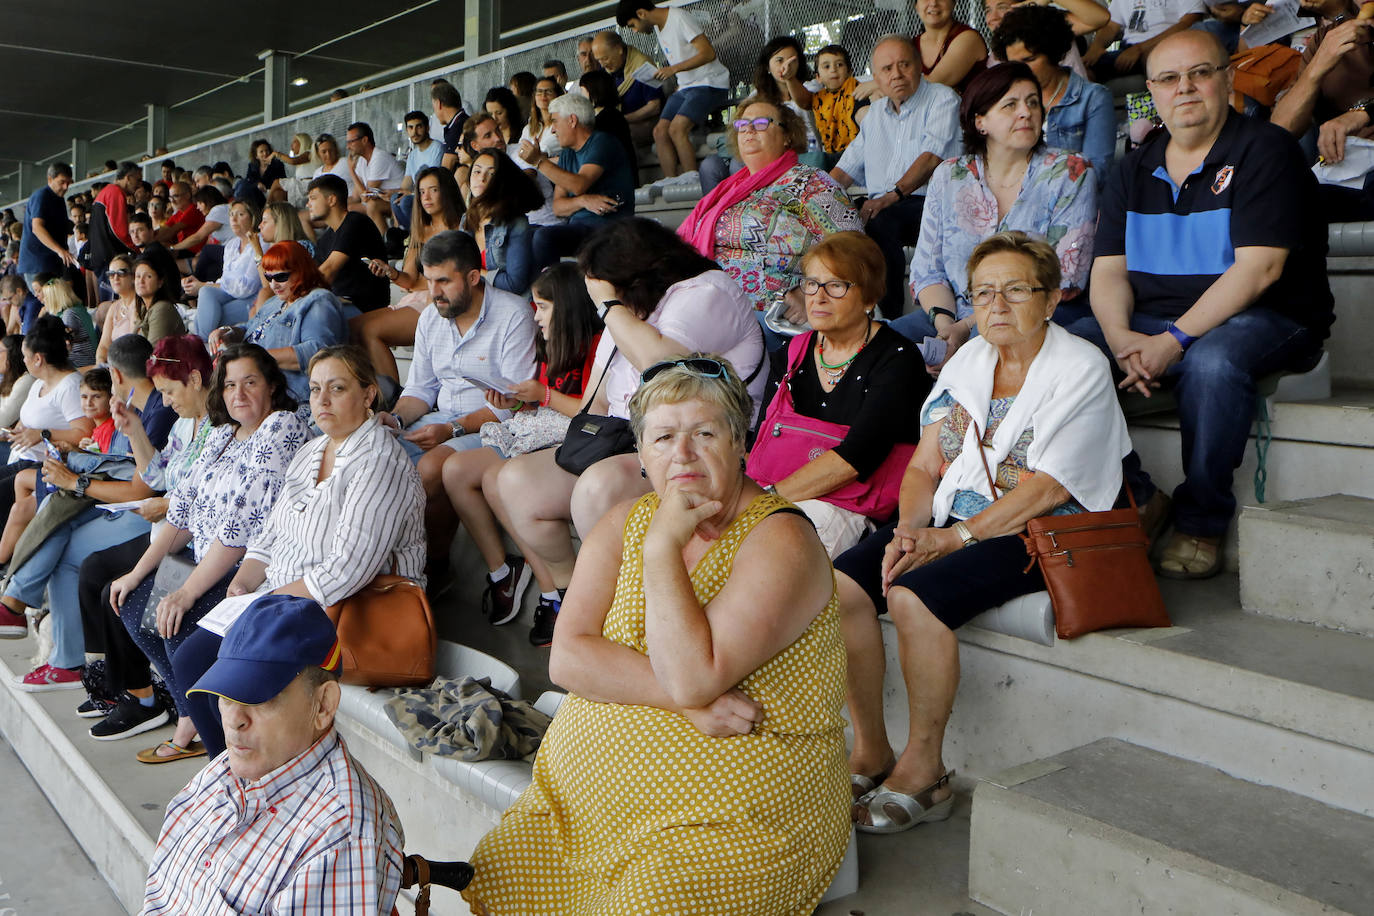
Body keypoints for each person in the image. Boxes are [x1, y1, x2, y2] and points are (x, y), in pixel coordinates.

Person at [462, 358, 848, 915]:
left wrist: (665, 548)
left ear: (741, 443)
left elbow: (694, 675)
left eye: (705, 433)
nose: (682, 454)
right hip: (584, 808)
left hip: (731, 819)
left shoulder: (779, 538)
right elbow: (568, 659)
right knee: (499, 873)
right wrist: (685, 706)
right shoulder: (625, 520)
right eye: (663, 437)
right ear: (641, 454)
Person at [839, 231, 1130, 834]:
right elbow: (924, 465)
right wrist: (911, 530)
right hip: (950, 514)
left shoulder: (1081, 368)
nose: (996, 305)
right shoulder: (970, 360)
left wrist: (954, 540)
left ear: (1051, 300)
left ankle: (926, 770)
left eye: (1016, 290)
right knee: (841, 584)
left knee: (914, 596)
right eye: (984, 292)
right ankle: (871, 748)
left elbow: (1049, 488)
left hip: (1040, 530)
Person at [1068, 31, 1334, 578]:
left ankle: (1202, 521)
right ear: (1151, 92)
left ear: (1228, 79)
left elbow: (1261, 269)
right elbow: (1109, 270)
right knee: (1061, 350)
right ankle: (1139, 496)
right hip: (1150, 321)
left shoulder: (1265, 150)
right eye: (1169, 78)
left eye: (1201, 73)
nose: (1185, 88)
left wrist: (1173, 342)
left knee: (1212, 364)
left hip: (1267, 315)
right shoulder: (1133, 167)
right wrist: (1120, 339)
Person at [494, 218, 767, 647]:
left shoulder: (706, 291)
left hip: (695, 442)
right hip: (627, 437)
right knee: (516, 482)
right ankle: (575, 593)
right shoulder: (632, 310)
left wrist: (608, 305)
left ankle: (626, 613)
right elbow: (599, 400)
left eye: (605, 284)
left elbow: (663, 367)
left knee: (596, 488)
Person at [169, 346, 425, 758]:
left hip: (347, 611)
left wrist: (268, 605)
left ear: (368, 395)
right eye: (316, 389)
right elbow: (269, 535)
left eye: (337, 389)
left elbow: (346, 571)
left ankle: (255, 777)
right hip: (287, 602)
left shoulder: (380, 461)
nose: (321, 401)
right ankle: (237, 778)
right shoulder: (312, 450)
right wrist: (244, 581)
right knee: (191, 662)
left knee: (224, 675)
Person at [105, 344, 309, 762]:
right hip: (202, 560)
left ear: (271, 385)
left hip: (247, 568)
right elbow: (180, 514)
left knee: (180, 627)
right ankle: (190, 712)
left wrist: (186, 593)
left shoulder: (281, 427)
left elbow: (239, 530)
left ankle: (214, 744)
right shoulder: (219, 434)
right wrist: (137, 572)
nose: (239, 393)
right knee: (133, 605)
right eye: (230, 384)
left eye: (250, 382)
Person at [142, 596, 404, 914]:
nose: (234, 719)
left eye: (259, 697)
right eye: (224, 695)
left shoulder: (338, 835)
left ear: (323, 705)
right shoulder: (226, 769)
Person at [2, 336, 178, 692]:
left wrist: (77, 481)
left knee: (60, 516)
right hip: (125, 506)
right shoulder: (138, 404)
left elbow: (140, 489)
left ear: (115, 373)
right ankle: (19, 608)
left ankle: (21, 610)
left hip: (150, 516)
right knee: (55, 507)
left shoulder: (157, 411)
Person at [892, 64, 1098, 367]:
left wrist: (966, 328)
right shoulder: (950, 175)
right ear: (980, 122)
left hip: (1033, 314)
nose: (1026, 112)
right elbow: (928, 270)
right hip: (951, 315)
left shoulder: (1070, 171)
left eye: (1032, 102)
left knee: (980, 353)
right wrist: (946, 327)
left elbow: (1066, 278)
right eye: (1010, 105)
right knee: (880, 348)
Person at [440, 263, 602, 627]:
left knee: (499, 480)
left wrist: (542, 394)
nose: (535, 315)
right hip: (535, 430)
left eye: (542, 306)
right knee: (454, 470)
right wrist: (511, 402)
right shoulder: (550, 343)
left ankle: (552, 591)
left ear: (568, 306)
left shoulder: (596, 345)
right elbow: (539, 403)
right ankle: (505, 571)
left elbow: (591, 410)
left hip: (572, 439)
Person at [751, 232, 928, 557]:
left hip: (850, 507)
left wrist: (764, 500)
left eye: (836, 286)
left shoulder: (896, 358)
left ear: (869, 298)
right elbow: (763, 435)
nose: (818, 297)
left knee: (774, 556)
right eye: (811, 283)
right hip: (778, 495)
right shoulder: (792, 353)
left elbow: (855, 458)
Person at [74, 334, 214, 727]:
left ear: (197, 380)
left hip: (194, 540)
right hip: (169, 531)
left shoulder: (222, 426)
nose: (166, 401)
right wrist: (134, 429)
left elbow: (205, 497)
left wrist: (168, 505)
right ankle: (128, 691)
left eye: (170, 390)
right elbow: (156, 474)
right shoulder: (186, 425)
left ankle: (157, 703)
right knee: (96, 571)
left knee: (122, 598)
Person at [376, 231, 536, 561]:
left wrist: (452, 430)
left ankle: (422, 568)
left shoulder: (513, 315)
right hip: (440, 418)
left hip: (497, 426)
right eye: (429, 280)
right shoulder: (432, 317)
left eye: (444, 281)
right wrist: (396, 418)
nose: (433, 292)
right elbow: (420, 389)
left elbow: (513, 405)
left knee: (431, 468)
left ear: (474, 277)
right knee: (374, 454)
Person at [678, 98, 861, 322]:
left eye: (761, 122)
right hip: (710, 305)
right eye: (742, 125)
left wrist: (808, 293)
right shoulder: (728, 190)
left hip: (770, 313)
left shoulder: (810, 182)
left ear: (788, 136)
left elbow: (853, 249)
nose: (749, 130)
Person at [830, 35, 962, 319]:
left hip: (931, 204)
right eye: (887, 69)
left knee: (880, 218)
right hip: (885, 206)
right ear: (875, 77)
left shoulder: (942, 99)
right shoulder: (875, 113)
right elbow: (845, 169)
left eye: (904, 64)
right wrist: (812, 199)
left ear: (919, 66)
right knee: (832, 220)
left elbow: (931, 158)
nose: (897, 74)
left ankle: (888, 318)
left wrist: (891, 197)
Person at [362, 166, 465, 383]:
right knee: (350, 326)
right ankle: (372, 390)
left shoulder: (463, 227)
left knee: (369, 330)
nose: (425, 197)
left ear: (446, 192)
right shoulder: (420, 229)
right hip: (417, 297)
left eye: (433, 190)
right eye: (422, 191)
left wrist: (419, 285)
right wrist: (390, 271)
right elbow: (408, 279)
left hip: (440, 301)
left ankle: (392, 395)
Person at [210, 241, 348, 402]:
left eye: (281, 277)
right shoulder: (276, 301)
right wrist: (227, 332)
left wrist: (252, 357)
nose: (274, 285)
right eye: (268, 277)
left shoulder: (319, 301)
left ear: (301, 271)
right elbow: (251, 328)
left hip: (288, 397)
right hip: (257, 387)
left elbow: (317, 352)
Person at [991, 5, 1116, 181]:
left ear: (1053, 52)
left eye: (1030, 59)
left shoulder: (1093, 98)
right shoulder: (1003, 98)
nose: (1021, 69)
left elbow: (1097, 171)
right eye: (1014, 63)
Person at [1271, 11, 1374, 219]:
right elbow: (1281, 129)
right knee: (1279, 202)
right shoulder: (1328, 37)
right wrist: (1318, 65)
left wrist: (1363, 113)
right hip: (1345, 167)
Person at [617, 0, 732, 178]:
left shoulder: (678, 17)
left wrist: (674, 69)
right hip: (686, 86)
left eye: (633, 25)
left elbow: (708, 53)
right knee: (659, 132)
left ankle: (691, 179)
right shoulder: (658, 26)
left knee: (677, 129)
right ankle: (671, 180)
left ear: (641, 13)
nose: (635, 31)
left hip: (710, 83)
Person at [524, 93, 637, 271]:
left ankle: (549, 293)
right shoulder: (568, 153)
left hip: (610, 228)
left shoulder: (602, 142)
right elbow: (558, 207)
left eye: (554, 121)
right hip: (580, 228)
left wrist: (539, 162)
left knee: (544, 237)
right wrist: (583, 201)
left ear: (572, 120)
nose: (552, 130)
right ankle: (538, 294)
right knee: (525, 235)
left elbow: (579, 185)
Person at [463, 151, 543, 295]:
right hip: (480, 299)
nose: (482, 178)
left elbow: (514, 284)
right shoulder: (467, 219)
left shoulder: (516, 223)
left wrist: (474, 273)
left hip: (512, 304)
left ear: (502, 182)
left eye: (491, 174)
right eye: (477, 171)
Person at [307, 174, 390, 312]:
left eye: (313, 198)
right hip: (340, 303)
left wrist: (297, 297)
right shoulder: (325, 239)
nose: (307, 204)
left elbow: (328, 270)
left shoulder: (356, 222)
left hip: (364, 308)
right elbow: (314, 273)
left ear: (331, 200)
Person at [186, 199, 263, 338]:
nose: (233, 219)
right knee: (206, 293)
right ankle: (201, 341)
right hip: (230, 294)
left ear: (253, 218)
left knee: (210, 317)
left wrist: (206, 284)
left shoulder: (260, 243)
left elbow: (247, 287)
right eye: (231, 214)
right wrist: (206, 286)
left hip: (252, 298)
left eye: (240, 214)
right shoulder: (231, 245)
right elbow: (225, 278)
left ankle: (200, 342)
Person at [1084, 0, 1206, 76]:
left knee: (1153, 60)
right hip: (1128, 49)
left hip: (1167, 46)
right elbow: (1111, 26)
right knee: (1084, 68)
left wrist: (1140, 49)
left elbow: (1190, 20)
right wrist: (1096, 47)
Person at [590, 30, 666, 146]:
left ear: (619, 49)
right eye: (599, 60)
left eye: (605, 58)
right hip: (619, 124)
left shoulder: (643, 65)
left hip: (647, 123)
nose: (603, 64)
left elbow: (654, 106)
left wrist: (623, 119)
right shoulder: (604, 71)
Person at [517, 76, 566, 228]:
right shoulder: (529, 128)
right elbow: (521, 155)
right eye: (539, 92)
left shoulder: (561, 125)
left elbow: (541, 153)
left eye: (548, 91)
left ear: (557, 95)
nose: (543, 96)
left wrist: (535, 157)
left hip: (554, 186)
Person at [812, 44, 870, 170]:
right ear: (818, 77)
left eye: (839, 65)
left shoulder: (855, 88)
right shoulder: (818, 99)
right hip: (832, 153)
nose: (833, 70)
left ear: (849, 71)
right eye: (826, 66)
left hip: (858, 150)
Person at [18, 163, 75, 285]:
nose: (66, 187)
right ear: (50, 179)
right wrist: (60, 250)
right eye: (62, 182)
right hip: (38, 263)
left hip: (51, 262)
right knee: (45, 301)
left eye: (69, 183)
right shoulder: (42, 196)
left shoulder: (58, 199)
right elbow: (37, 227)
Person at [345, 121, 405, 234]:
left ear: (364, 140)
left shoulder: (379, 157)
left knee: (371, 205)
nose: (348, 147)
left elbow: (366, 197)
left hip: (397, 200)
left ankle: (385, 243)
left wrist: (351, 171)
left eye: (351, 142)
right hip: (382, 201)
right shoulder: (362, 161)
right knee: (344, 209)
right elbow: (356, 196)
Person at [916, 0, 989, 92]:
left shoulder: (969, 38)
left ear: (954, 3)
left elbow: (931, 86)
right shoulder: (910, 45)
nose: (933, 3)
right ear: (916, 6)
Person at [579, 70, 640, 178]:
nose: (581, 97)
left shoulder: (609, 118)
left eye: (583, 91)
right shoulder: (609, 115)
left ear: (594, 91)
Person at [391, 110, 445, 229]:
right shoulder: (413, 155)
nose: (414, 132)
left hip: (431, 194)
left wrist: (410, 193)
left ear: (427, 128)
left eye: (418, 127)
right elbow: (405, 185)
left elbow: (433, 181)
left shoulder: (437, 147)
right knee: (395, 198)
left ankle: (422, 234)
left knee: (406, 202)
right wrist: (393, 193)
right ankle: (411, 235)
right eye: (410, 128)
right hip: (417, 195)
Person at [36, 275, 97, 369]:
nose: (44, 301)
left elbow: (62, 344)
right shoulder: (76, 309)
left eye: (46, 297)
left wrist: (40, 318)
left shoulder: (69, 314)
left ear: (54, 298)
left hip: (82, 360)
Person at [128, 251, 188, 345]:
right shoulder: (144, 309)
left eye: (148, 276)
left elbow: (154, 352)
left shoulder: (162, 308)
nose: (141, 281)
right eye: (138, 276)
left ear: (160, 282)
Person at [94, 254, 139, 365]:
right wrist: (100, 362)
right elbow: (104, 345)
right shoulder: (114, 307)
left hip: (130, 365)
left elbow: (133, 345)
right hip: (112, 365)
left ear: (133, 276)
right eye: (111, 274)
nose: (115, 278)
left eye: (121, 273)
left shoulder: (139, 304)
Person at [267, 131, 317, 206]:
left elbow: (293, 161)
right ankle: (280, 213)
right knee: (278, 193)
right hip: (301, 185)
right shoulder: (304, 155)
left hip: (307, 184)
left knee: (276, 182)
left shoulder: (309, 153)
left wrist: (276, 154)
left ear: (302, 142)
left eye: (294, 142)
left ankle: (266, 206)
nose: (291, 145)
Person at [433, 80, 470, 173]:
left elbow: (446, 169)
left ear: (439, 104)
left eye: (433, 105)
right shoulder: (460, 121)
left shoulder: (458, 126)